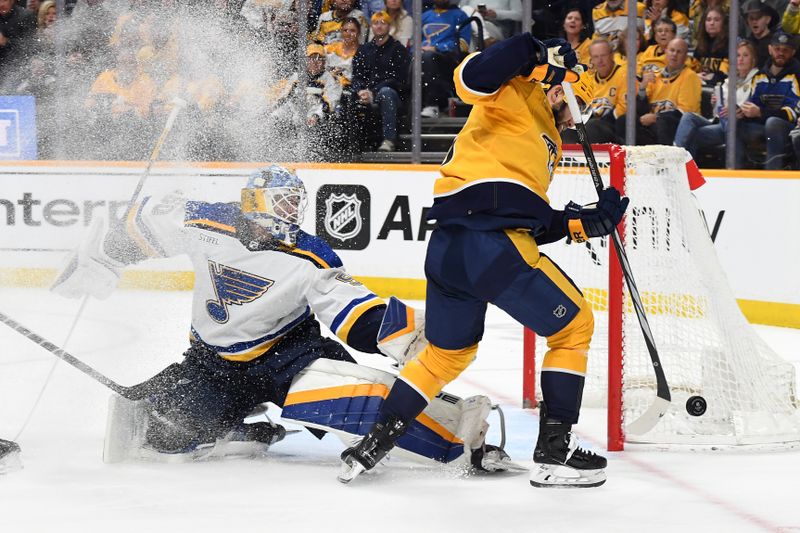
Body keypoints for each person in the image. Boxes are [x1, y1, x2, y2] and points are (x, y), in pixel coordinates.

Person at [51, 166, 513, 472]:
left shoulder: (310, 255)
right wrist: (105, 255)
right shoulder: (208, 224)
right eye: (285, 202)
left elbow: (352, 310)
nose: (294, 212)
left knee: (361, 403)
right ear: (256, 203)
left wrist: (413, 335)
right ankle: (237, 427)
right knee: (156, 434)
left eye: (297, 202)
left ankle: (462, 432)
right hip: (213, 365)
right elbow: (148, 227)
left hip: (289, 357)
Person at [339, 34, 629, 488]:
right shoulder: (511, 88)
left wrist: (585, 223)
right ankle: (555, 454)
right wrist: (535, 54)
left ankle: (373, 443)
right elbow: (468, 76)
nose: (578, 122)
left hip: (453, 249)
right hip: (489, 247)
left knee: (445, 355)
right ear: (561, 91)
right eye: (578, 107)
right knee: (574, 328)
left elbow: (518, 213)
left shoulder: (545, 137)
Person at [674, 40, 759, 166]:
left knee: (695, 135)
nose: (740, 59)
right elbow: (718, 111)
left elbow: (754, 104)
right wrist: (715, 103)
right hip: (721, 122)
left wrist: (737, 110)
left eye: (745, 55)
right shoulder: (729, 80)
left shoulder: (758, 79)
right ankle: (675, 157)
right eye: (737, 55)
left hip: (740, 124)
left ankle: (682, 170)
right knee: (688, 117)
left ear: (753, 59)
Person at [738, 31, 800, 169]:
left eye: (786, 50)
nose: (781, 53)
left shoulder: (797, 75)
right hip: (761, 125)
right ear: (770, 49)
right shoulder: (759, 76)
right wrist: (743, 112)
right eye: (777, 49)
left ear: (793, 52)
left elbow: (792, 114)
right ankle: (736, 173)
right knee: (733, 124)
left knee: (773, 123)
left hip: (788, 127)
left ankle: (772, 173)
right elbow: (753, 106)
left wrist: (760, 112)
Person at [350, 10, 410, 152]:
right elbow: (357, 76)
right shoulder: (364, 49)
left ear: (390, 26)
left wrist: (373, 91)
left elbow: (398, 79)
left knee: (386, 92)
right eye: (376, 23)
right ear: (371, 26)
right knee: (346, 94)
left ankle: (389, 140)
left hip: (392, 95)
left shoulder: (398, 49)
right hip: (366, 93)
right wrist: (360, 91)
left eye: (383, 23)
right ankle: (350, 142)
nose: (379, 26)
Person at [629, 37, 700, 145]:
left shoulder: (690, 76)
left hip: (675, 125)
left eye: (679, 52)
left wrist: (656, 117)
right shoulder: (655, 76)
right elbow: (641, 109)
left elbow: (685, 112)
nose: (674, 54)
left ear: (686, 57)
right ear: (666, 52)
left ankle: (666, 160)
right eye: (672, 50)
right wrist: (642, 87)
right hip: (652, 125)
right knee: (625, 120)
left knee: (664, 122)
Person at [563, 38, 626, 144]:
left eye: (603, 55)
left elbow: (624, 107)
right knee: (567, 130)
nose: (600, 60)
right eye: (596, 57)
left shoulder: (623, 74)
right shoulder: (590, 79)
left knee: (591, 127)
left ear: (611, 55)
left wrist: (599, 120)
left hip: (613, 127)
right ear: (591, 59)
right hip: (591, 124)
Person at [419, 0, 471, 118]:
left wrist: (437, 48)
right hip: (423, 55)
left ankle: (433, 104)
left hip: (448, 58)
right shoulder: (424, 16)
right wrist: (417, 49)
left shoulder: (460, 15)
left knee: (428, 57)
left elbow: (463, 44)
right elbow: (414, 42)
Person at [690, 6, 729, 88]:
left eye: (716, 20)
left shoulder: (729, 45)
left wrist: (710, 78)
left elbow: (724, 74)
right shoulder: (701, 45)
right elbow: (692, 67)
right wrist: (695, 75)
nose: (712, 23)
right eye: (708, 20)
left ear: (723, 23)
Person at [0, 0, 38, 82]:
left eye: (4, 0)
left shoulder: (26, 16)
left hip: (19, 70)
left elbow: (31, 46)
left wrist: (6, 41)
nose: (1, 4)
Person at [742, 0, 779, 67]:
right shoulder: (746, 44)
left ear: (768, 19)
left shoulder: (776, 43)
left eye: (758, 17)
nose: (754, 21)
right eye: (751, 18)